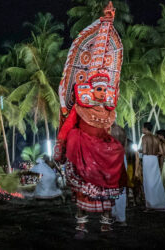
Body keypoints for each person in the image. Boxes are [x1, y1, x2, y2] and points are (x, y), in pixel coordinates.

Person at [54, 2, 125, 237]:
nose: (102, 92)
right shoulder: (80, 107)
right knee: (83, 190)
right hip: (83, 153)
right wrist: (60, 146)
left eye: (105, 89)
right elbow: (67, 127)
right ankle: (81, 226)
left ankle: (106, 224)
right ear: (89, 88)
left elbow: (112, 132)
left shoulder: (107, 110)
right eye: (98, 88)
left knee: (108, 186)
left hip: (104, 156)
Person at [141, 122, 165, 211]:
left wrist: (139, 151)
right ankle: (160, 204)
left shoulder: (144, 137)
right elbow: (161, 152)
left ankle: (149, 205)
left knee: (148, 182)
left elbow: (144, 151)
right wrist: (154, 153)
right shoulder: (156, 138)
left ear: (145, 128)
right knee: (156, 181)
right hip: (154, 159)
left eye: (142, 128)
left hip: (147, 159)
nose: (142, 129)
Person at [111, 123, 128, 227]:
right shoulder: (121, 130)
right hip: (122, 156)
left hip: (111, 158)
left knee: (111, 187)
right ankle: (121, 218)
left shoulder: (108, 130)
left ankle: (113, 215)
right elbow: (125, 145)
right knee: (121, 188)